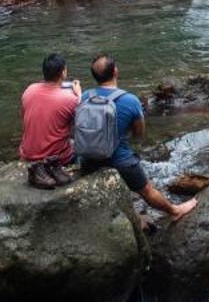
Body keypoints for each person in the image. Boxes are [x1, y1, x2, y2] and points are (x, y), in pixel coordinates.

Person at [74, 54, 195, 219]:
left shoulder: (85, 96)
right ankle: (174, 211)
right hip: (119, 159)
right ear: (115, 71)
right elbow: (139, 134)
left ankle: (133, 217)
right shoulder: (130, 100)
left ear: (94, 76)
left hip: (88, 158)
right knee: (147, 190)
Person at [20, 52, 79, 165]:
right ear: (63, 73)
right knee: (80, 146)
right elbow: (82, 124)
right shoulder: (70, 99)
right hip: (55, 159)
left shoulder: (29, 89)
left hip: (27, 154)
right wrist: (79, 94)